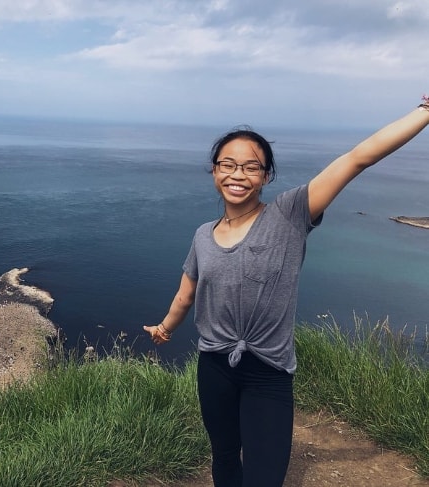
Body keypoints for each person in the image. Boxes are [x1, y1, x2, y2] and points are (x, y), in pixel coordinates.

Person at [143, 95, 429, 487]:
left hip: (269, 372)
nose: (237, 174)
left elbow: (357, 158)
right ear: (213, 171)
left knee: (264, 474)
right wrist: (165, 328)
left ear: (266, 176)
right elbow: (185, 295)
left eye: (250, 167)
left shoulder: (289, 214)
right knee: (225, 457)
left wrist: (425, 112)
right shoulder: (202, 236)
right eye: (227, 164)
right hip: (213, 367)